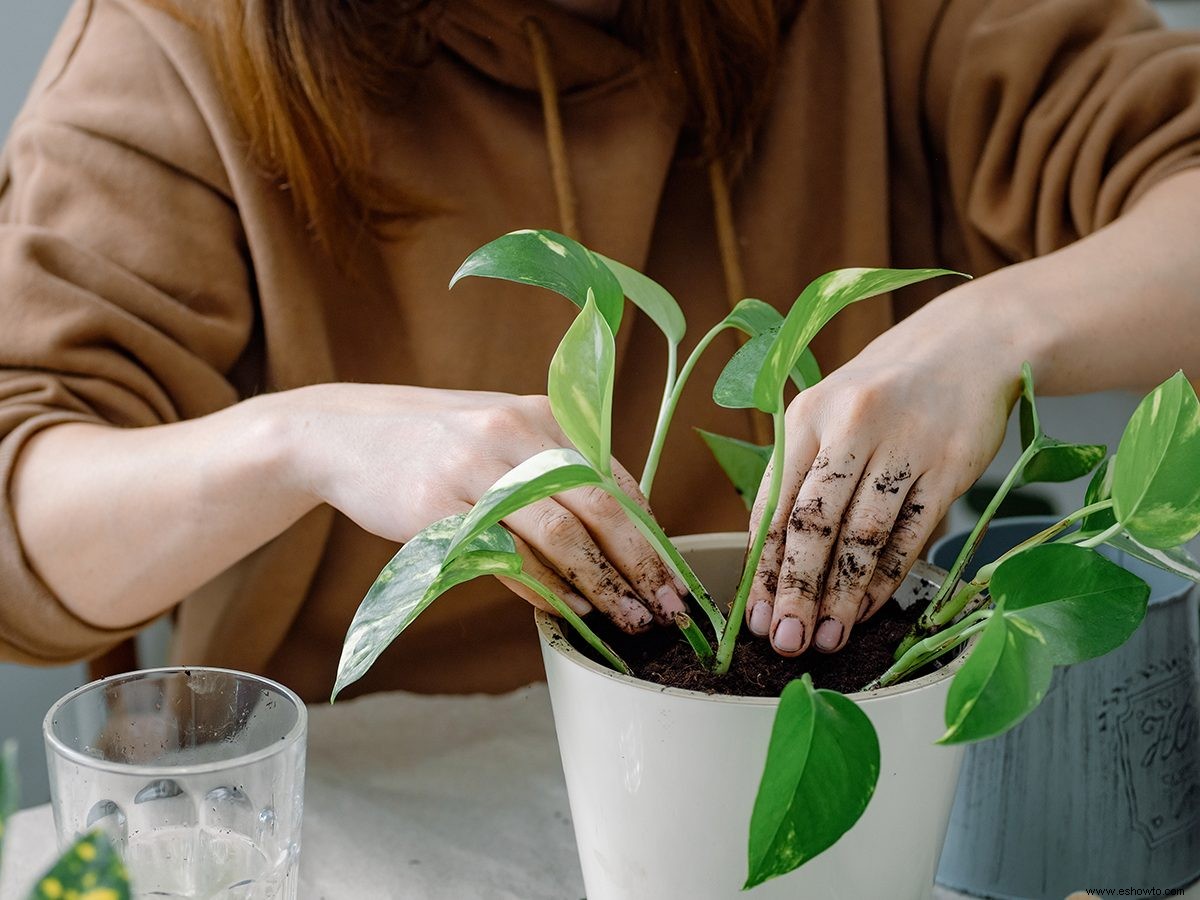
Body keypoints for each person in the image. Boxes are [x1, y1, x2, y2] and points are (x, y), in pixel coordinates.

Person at [2, 0, 1199, 701]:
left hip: (772, 757)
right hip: (368, 792)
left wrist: (993, 330)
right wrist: (298, 438)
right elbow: (22, 510)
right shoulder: (181, 45)